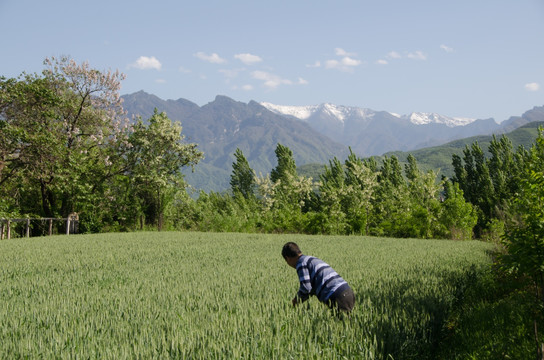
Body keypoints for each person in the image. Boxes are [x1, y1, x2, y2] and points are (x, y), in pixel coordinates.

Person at [282, 242, 355, 316]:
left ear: (287, 258)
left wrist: (296, 301)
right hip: (347, 292)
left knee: (342, 323)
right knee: (345, 323)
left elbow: (306, 288)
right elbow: (311, 289)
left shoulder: (301, 263)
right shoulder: (310, 259)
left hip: (337, 296)